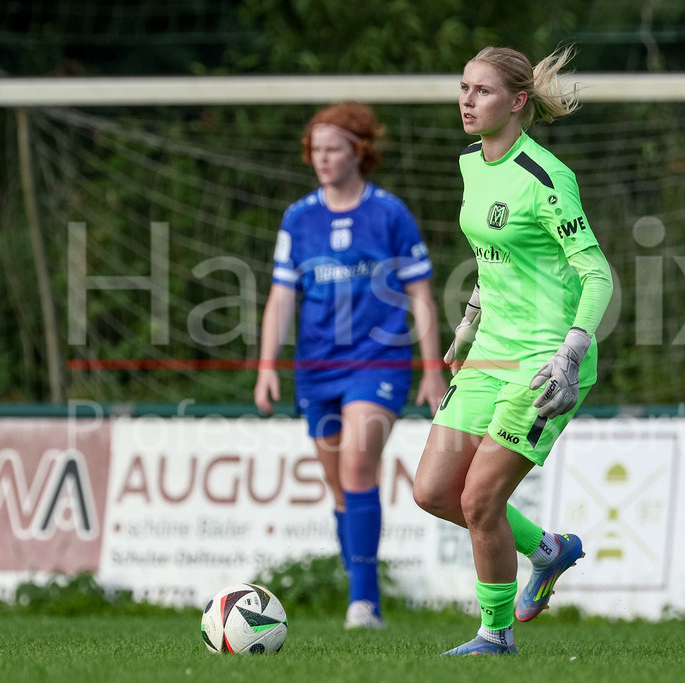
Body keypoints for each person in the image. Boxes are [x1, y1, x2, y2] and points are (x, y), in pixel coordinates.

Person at [413, 46, 614, 655]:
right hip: (489, 356)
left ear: (518, 102)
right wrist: (466, 333)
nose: (467, 101)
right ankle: (547, 551)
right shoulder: (473, 165)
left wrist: (570, 356)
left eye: (482, 91)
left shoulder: (546, 177)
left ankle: (493, 636)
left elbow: (597, 274)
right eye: (464, 87)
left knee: (480, 499)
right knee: (433, 491)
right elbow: (493, 264)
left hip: (544, 362)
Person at [255, 101, 447, 630]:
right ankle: (363, 594)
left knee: (359, 464)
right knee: (340, 485)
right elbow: (281, 297)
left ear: (358, 151)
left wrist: (432, 369)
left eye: (333, 148)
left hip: (378, 359)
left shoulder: (389, 213)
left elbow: (421, 294)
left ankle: (363, 605)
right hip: (315, 367)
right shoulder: (299, 217)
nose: (322, 158)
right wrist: (267, 364)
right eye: (315, 149)